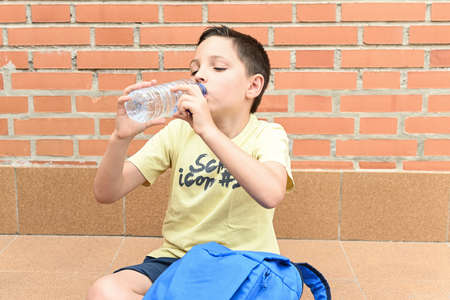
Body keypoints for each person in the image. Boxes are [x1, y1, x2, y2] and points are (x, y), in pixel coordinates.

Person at [87, 25, 294, 300]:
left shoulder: (268, 135)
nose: (200, 75)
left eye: (218, 68)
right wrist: (119, 138)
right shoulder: (177, 132)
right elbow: (106, 192)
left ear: (253, 85)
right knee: (104, 290)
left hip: (244, 263)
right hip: (178, 262)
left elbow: (271, 193)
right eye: (194, 69)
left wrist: (208, 131)